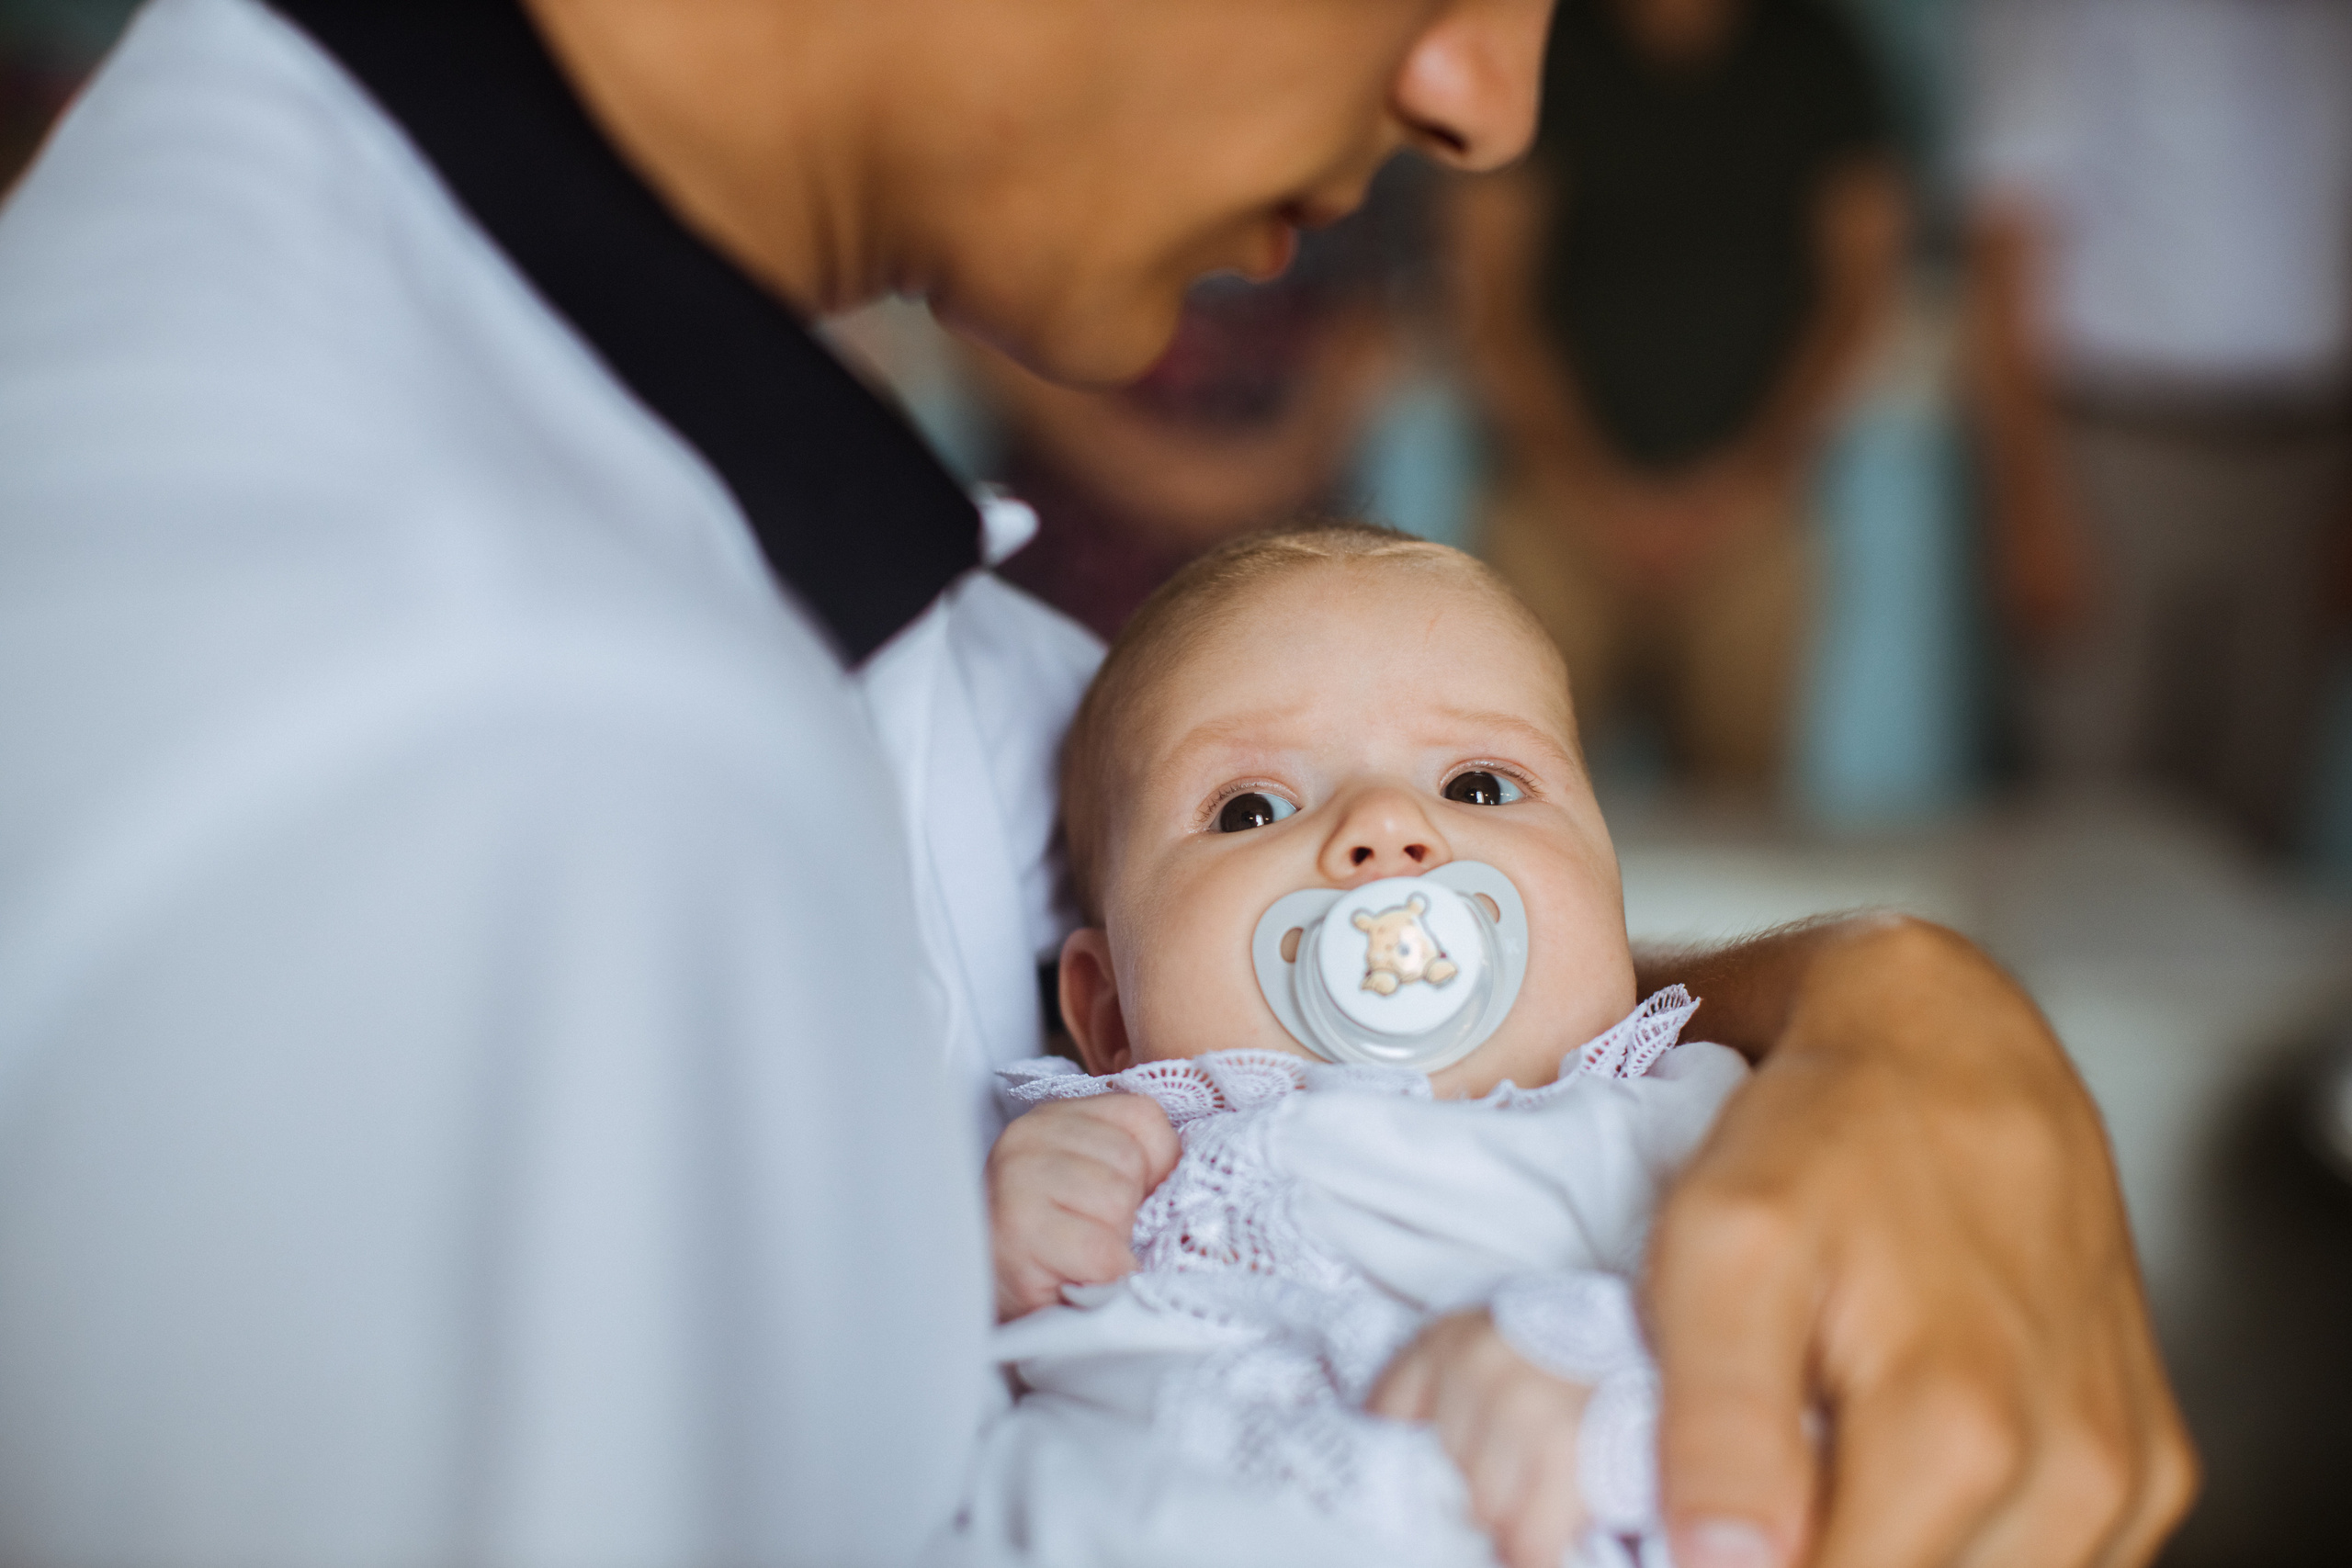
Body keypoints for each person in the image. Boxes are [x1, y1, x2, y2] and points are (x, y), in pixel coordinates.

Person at [0, 2, 2189, 1567]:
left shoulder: (620, 454)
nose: (1481, 97)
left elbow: (1336, 928)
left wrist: (1877, 1011)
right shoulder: (460, 727)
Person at [950, 522, 1752, 1568]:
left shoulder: (1684, 1124)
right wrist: (1003, 1244)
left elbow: (1817, 1350)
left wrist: (1614, 1394)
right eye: (1251, 808)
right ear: (1104, 1014)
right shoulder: (1106, 1161)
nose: (1383, 826)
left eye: (1478, 787)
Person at [1454, 0, 1905, 786]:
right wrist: (1594, 493)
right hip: (1556, 504)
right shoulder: (1545, 45)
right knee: (1508, 784)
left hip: (1753, 511)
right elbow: (1491, 299)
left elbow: (1857, 296)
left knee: (1741, 815)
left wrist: (1741, 485)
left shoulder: (1818, 51)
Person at [1961, 0, 2352, 852]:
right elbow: (2006, 244)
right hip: (2117, 452)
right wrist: (2028, 500)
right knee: (2089, 808)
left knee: (2258, 826)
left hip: (2303, 459)